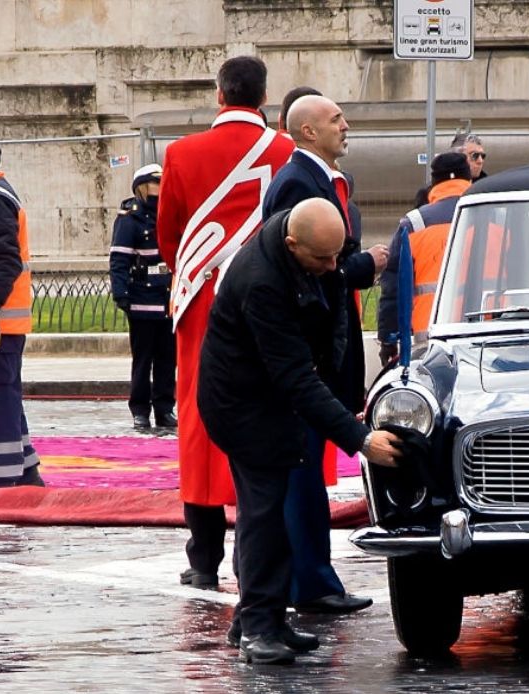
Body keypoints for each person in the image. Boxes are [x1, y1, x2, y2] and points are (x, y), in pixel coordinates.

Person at [198, 198, 404, 665]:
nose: (333, 268)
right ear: (293, 245)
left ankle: (259, 618)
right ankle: (258, 628)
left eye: (339, 256)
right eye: (323, 260)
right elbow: (295, 378)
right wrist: (360, 440)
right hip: (243, 406)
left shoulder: (298, 252)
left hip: (268, 397)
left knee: (274, 513)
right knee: (265, 514)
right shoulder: (262, 283)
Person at [156, 56, 295, 589]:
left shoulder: (181, 152)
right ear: (262, 97)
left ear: (219, 94)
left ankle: (203, 556)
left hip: (202, 298)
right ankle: (255, 555)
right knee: (267, 407)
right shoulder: (286, 151)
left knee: (197, 416)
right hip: (268, 297)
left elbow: (170, 235)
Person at [260, 93, 386, 616]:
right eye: (335, 119)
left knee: (309, 474)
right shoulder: (296, 183)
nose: (346, 124)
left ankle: (309, 580)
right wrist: (364, 266)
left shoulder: (327, 181)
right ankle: (309, 584)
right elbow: (309, 272)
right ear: (308, 132)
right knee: (301, 475)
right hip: (307, 355)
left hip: (324, 349)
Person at [377, 152, 473, 364]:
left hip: (428, 341)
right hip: (485, 334)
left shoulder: (414, 223)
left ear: (434, 182)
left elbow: (393, 289)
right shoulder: (496, 216)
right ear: (469, 179)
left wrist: (388, 340)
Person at [109, 164, 176, 431]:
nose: (161, 190)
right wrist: (121, 292)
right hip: (141, 296)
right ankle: (139, 409)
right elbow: (119, 258)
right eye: (156, 184)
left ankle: (164, 408)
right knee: (143, 358)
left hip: (167, 297)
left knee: (167, 359)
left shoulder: (171, 215)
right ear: (142, 187)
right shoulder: (130, 219)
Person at [0, 140, 44, 488]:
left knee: (1, 397)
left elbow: (5, 260)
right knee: (6, 393)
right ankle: (26, 473)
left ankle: (4, 479)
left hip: (0, 320)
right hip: (6, 320)